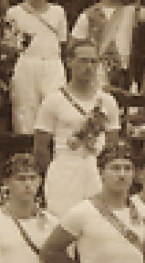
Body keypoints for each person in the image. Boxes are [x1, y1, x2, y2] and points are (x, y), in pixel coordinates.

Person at [33, 40, 121, 216]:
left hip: (97, 171)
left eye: (93, 61)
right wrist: (57, 172)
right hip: (64, 170)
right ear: (69, 62)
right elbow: (40, 147)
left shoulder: (107, 102)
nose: (89, 67)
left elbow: (112, 146)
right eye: (83, 61)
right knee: (62, 221)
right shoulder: (53, 100)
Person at [6, 0, 69, 134]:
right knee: (24, 112)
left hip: (52, 64)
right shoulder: (14, 13)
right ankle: (24, 157)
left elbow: (63, 43)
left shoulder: (58, 12)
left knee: (55, 110)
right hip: (26, 65)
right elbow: (9, 47)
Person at [72, 0, 145, 89]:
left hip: (126, 77)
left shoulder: (132, 11)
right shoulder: (87, 16)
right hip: (97, 79)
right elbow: (72, 51)